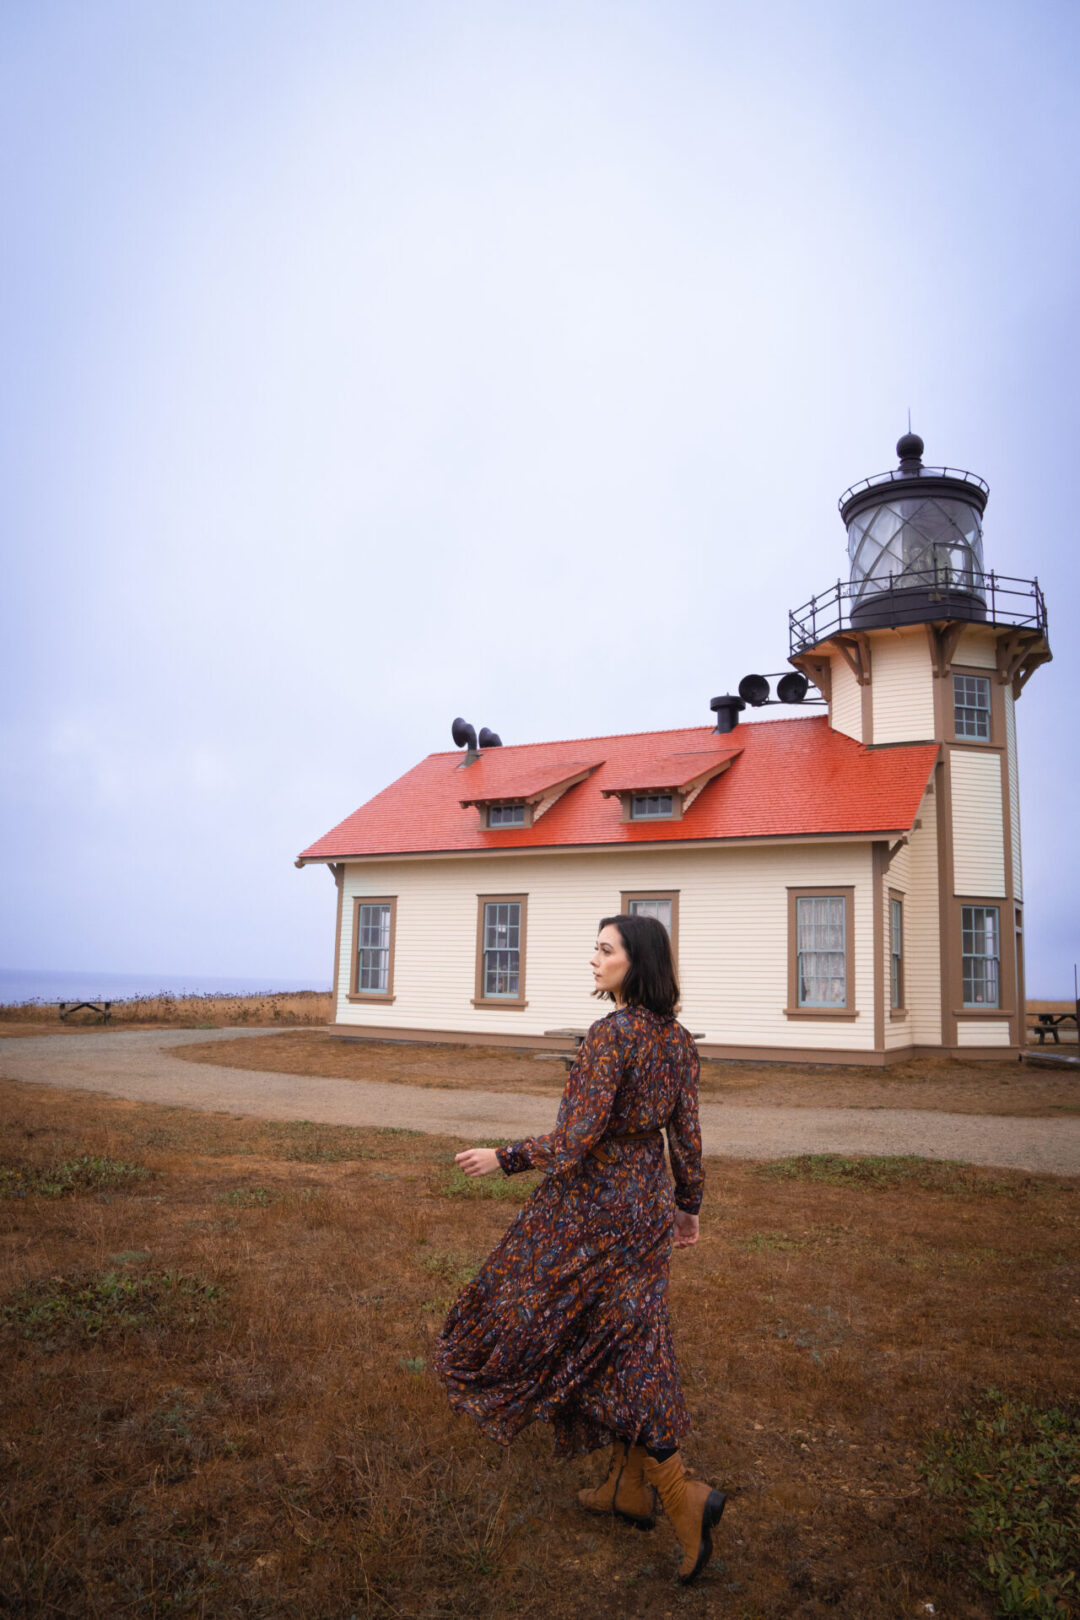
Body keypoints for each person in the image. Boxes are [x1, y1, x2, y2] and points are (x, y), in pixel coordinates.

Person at [434, 913, 726, 1585]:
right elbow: (689, 1137)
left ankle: (683, 1497)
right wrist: (687, 1207)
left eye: (605, 950)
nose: (593, 959)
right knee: (624, 1338)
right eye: (594, 948)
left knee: (581, 1329)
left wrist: (501, 1156)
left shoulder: (610, 1037)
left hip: (593, 1214)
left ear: (636, 962)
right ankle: (629, 1488)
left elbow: (573, 1142)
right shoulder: (678, 1041)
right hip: (646, 1209)